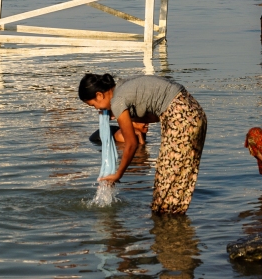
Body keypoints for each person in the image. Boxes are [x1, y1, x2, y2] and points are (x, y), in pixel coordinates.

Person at [79, 73, 207, 214]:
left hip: (181, 117)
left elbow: (131, 143)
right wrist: (125, 115)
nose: (97, 110)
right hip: (192, 113)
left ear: (99, 95)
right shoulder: (122, 87)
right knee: (172, 175)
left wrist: (118, 174)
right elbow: (157, 112)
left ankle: (167, 219)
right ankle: (168, 220)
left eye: (93, 105)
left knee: (169, 178)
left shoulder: (117, 101)